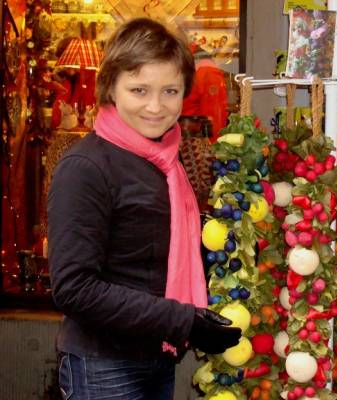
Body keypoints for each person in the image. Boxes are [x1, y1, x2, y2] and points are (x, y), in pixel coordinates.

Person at [47, 18, 241, 400]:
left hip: (155, 357)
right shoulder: (86, 167)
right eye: (139, 90)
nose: (156, 106)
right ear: (111, 90)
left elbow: (151, 251)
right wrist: (184, 320)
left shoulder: (166, 157)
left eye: (170, 90)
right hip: (105, 364)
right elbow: (74, 288)